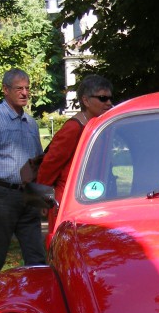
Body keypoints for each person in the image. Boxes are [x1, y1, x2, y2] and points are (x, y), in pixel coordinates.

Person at [0, 68, 46, 286]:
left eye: (27, 89)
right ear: (5, 90)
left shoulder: (31, 123)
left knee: (37, 259)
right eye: (18, 89)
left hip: (28, 198)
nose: (24, 93)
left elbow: (36, 164)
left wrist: (41, 199)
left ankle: (38, 306)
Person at [37, 74, 113, 236]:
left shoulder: (97, 125)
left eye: (109, 98)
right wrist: (43, 199)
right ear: (85, 100)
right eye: (102, 98)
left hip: (89, 197)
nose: (108, 103)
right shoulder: (73, 128)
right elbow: (49, 165)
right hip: (67, 200)